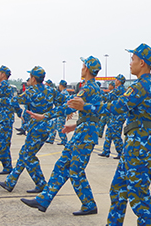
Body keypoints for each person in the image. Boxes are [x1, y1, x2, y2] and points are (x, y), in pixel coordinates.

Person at [87, 43, 151, 226]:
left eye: (133, 59)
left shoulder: (141, 86)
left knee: (139, 193)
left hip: (138, 145)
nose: (130, 63)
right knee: (118, 187)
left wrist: (85, 107)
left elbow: (117, 107)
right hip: (140, 142)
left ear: (142, 62)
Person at [20, 56, 103, 215]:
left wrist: (45, 116)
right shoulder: (91, 87)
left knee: (76, 170)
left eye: (83, 65)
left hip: (85, 136)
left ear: (86, 69)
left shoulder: (89, 88)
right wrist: (74, 125)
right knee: (62, 165)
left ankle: (89, 204)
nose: (81, 68)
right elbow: (91, 114)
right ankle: (44, 199)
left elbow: (70, 106)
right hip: (82, 132)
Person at [0, 66, 54, 193]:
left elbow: (14, 101)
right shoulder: (51, 90)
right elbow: (63, 101)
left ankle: (40, 183)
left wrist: (20, 113)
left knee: (28, 155)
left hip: (36, 128)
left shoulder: (30, 92)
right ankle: (10, 181)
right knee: (24, 153)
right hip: (46, 127)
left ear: (33, 79)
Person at [100, 74, 127, 158]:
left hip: (118, 115)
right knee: (109, 132)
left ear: (119, 81)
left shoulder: (119, 90)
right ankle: (106, 151)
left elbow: (107, 97)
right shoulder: (121, 89)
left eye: (116, 80)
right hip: (116, 115)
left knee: (115, 134)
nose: (115, 81)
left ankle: (121, 153)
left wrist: (99, 93)